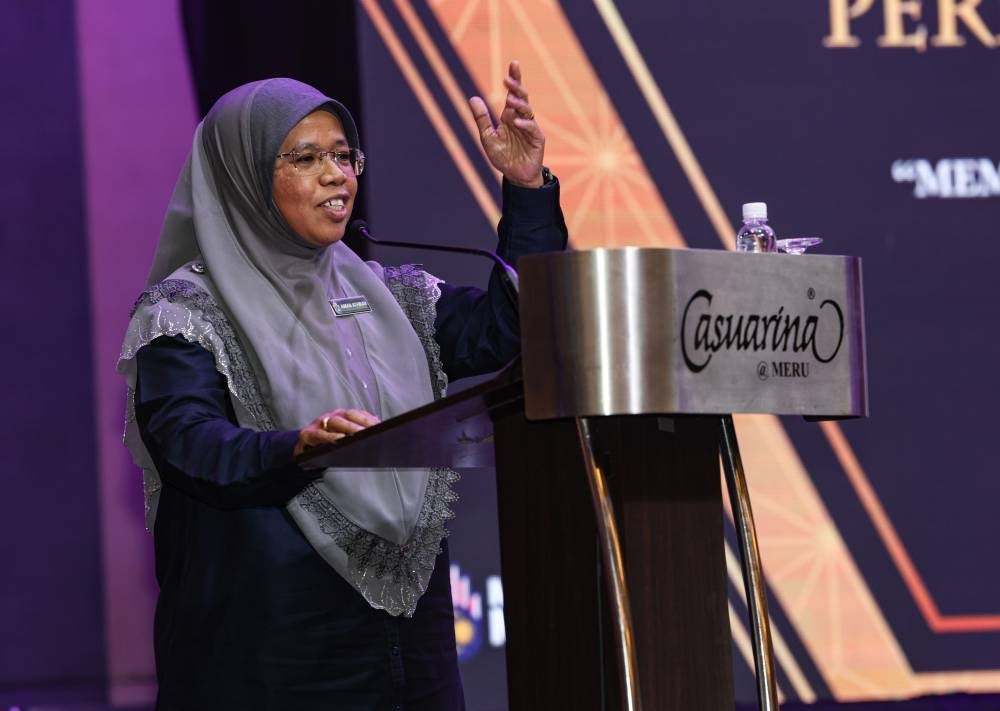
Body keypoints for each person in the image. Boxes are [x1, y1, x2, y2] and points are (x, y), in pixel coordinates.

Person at [117, 61, 567, 710]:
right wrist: (295, 448)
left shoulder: (389, 296)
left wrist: (525, 189)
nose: (338, 175)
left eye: (343, 154)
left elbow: (515, 325)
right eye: (304, 157)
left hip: (412, 651)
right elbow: (191, 446)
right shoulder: (184, 314)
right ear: (243, 177)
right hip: (275, 654)